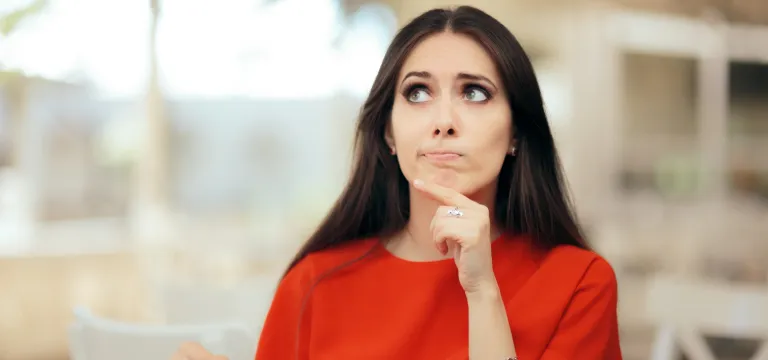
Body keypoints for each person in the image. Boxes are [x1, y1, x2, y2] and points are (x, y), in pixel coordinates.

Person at [174, 5, 621, 360]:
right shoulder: (313, 283)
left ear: (517, 133)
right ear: (388, 132)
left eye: (475, 92)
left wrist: (483, 293)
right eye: (418, 93)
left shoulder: (579, 285)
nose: (444, 121)